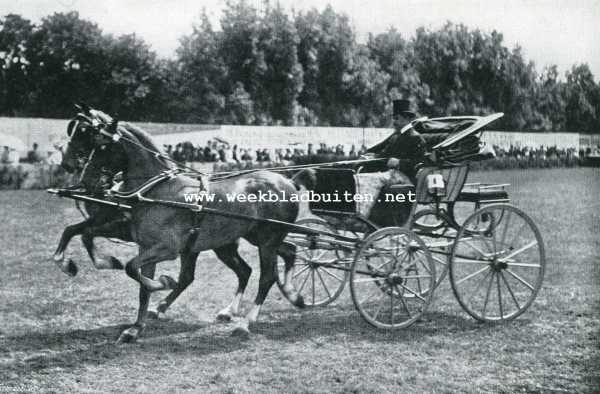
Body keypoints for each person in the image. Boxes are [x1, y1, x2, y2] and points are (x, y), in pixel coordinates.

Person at [366, 99, 428, 177]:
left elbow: (421, 162)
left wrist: (399, 162)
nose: (393, 122)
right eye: (393, 118)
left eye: (396, 118)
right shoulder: (396, 136)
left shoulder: (416, 138)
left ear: (407, 118)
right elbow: (383, 152)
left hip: (405, 177)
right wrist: (371, 156)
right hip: (391, 174)